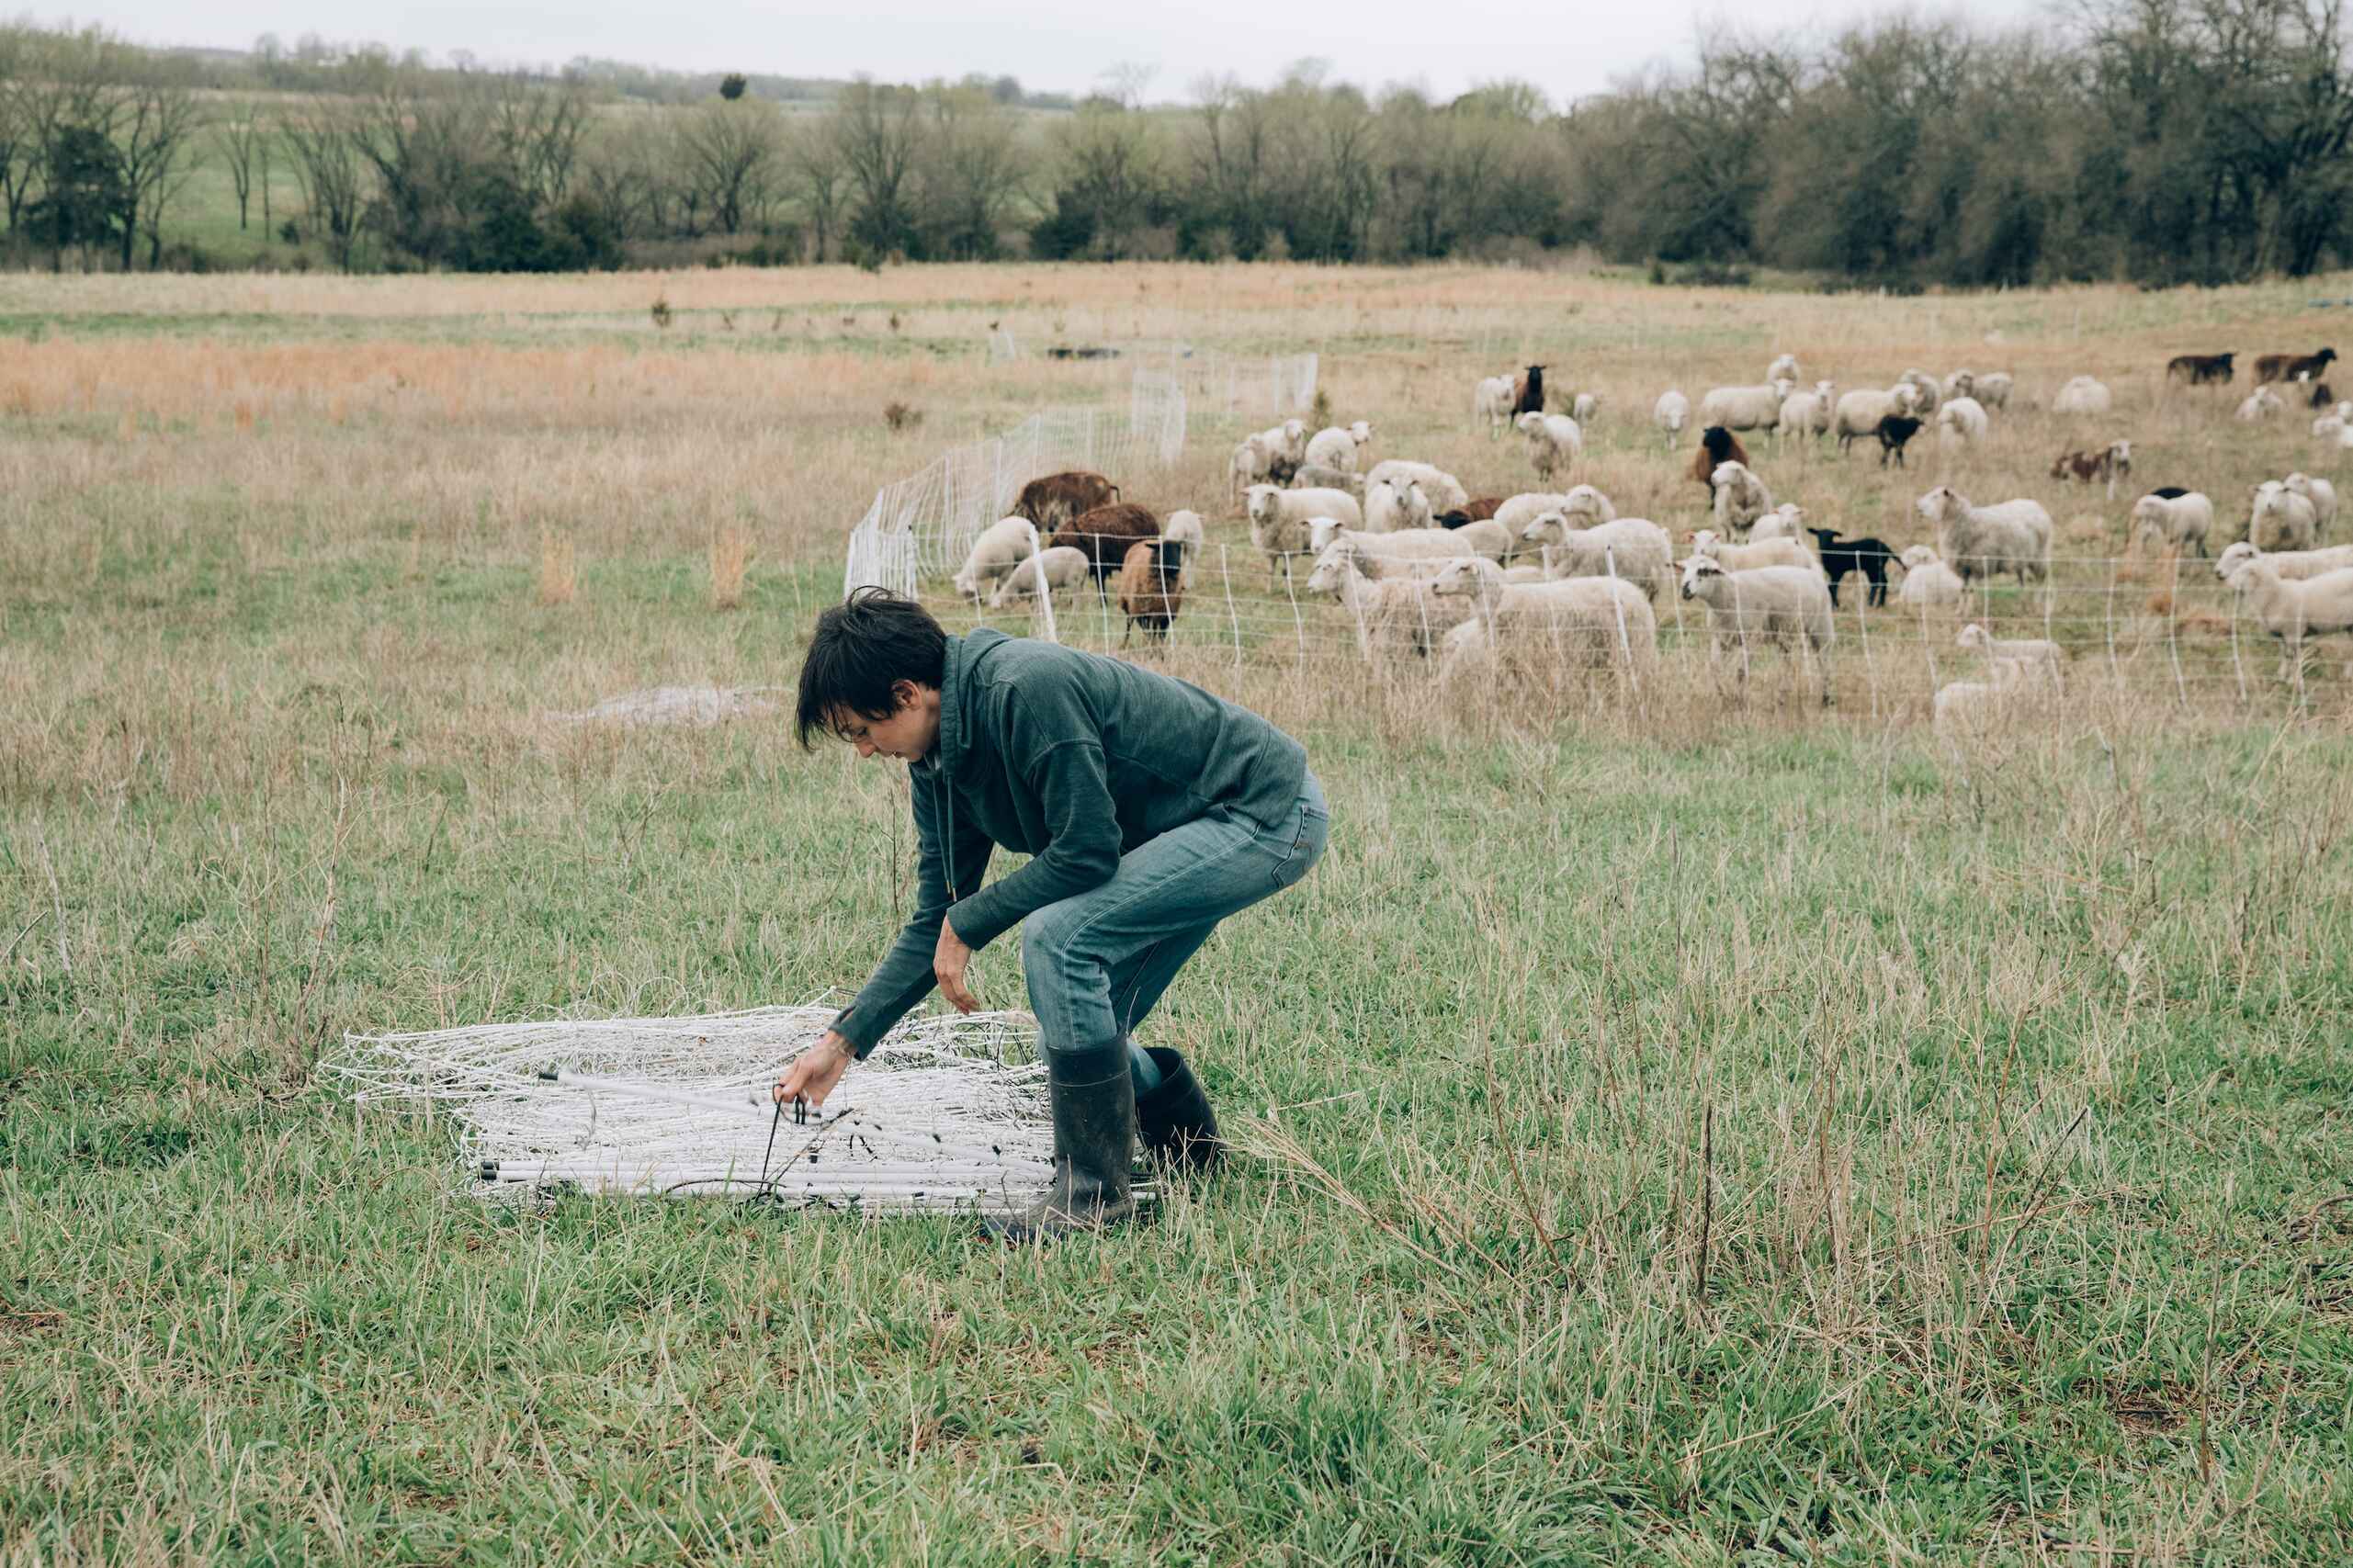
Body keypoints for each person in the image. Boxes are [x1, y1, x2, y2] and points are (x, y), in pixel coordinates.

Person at [775, 589, 1329, 1240]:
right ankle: (1191, 1152)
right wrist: (840, 1043)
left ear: (906, 694)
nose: (865, 752)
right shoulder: (936, 760)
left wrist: (974, 919)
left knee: (1058, 939)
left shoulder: (1023, 689)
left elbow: (1086, 852)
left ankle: (1092, 1197)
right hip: (1174, 836)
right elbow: (938, 917)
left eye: (863, 732)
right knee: (1067, 1032)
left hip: (1260, 812)